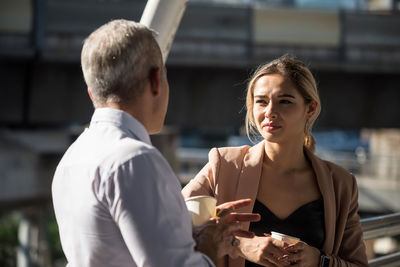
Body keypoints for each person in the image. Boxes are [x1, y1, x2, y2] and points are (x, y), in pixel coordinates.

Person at [52, 19, 260, 267]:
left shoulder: (73, 157)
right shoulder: (134, 159)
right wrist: (210, 246)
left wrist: (187, 232)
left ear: (92, 92)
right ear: (156, 80)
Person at [182, 55, 369, 267]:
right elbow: (173, 217)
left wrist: (320, 261)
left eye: (285, 101)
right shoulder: (225, 165)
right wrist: (239, 244)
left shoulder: (340, 184)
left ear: (310, 109)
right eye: (261, 101)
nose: (270, 112)